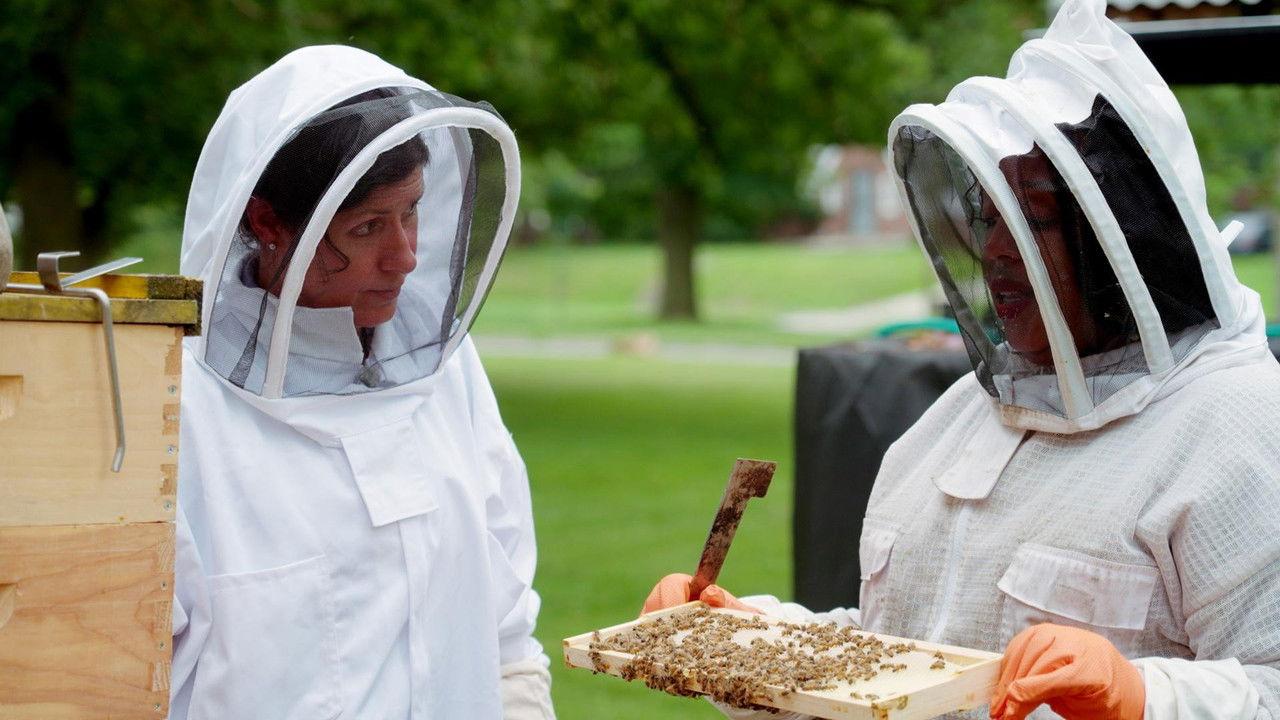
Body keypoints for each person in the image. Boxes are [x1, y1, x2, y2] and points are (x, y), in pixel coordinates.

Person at [644, 1, 1280, 718]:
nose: (997, 252)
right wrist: (748, 645)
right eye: (988, 216)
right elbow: (897, 660)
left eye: (1033, 218)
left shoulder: (1242, 425)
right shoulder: (957, 422)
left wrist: (1142, 695)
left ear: (1120, 236)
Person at [170, 46, 556, 719]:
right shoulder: (181, 409)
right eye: (369, 226)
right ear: (267, 223)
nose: (404, 256)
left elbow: (504, 601)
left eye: (411, 213)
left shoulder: (445, 368)